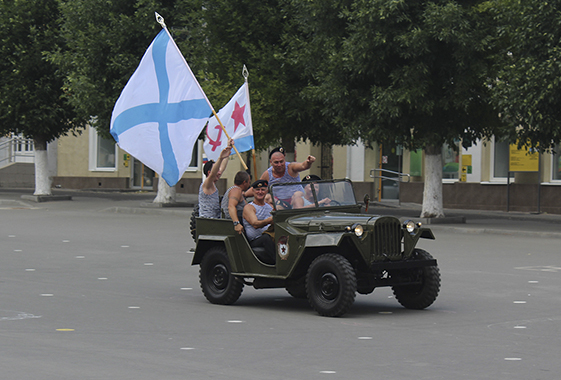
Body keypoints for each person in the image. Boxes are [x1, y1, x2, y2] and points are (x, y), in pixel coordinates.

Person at [245, 147, 316, 209]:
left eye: (281, 162)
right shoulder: (267, 174)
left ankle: (298, 217)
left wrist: (309, 162)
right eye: (276, 162)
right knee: (267, 197)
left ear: (284, 160)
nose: (279, 165)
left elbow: (303, 166)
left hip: (296, 200)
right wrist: (243, 194)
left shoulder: (291, 167)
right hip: (280, 202)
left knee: (297, 195)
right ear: (271, 162)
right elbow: (256, 188)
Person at [198, 139, 233, 218]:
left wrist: (229, 147)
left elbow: (222, 167)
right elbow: (214, 173)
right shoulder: (207, 184)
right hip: (206, 221)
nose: (220, 173)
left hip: (214, 221)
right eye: (217, 170)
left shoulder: (212, 183)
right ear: (209, 173)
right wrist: (220, 158)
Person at [243, 180, 275, 265]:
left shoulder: (269, 207)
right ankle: (277, 264)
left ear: (266, 191)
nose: (260, 192)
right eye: (257, 190)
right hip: (256, 240)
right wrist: (270, 220)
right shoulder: (249, 207)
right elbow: (255, 224)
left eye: (263, 190)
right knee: (266, 238)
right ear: (253, 191)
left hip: (269, 237)